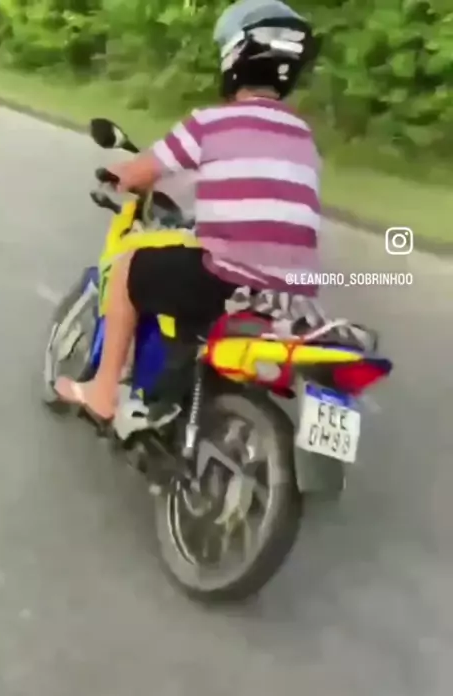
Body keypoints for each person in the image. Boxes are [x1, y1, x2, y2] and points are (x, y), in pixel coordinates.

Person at [55, 0, 322, 432]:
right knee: (185, 279)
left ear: (234, 57)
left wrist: (120, 175)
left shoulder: (210, 122)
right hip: (294, 294)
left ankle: (103, 395)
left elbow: (146, 169)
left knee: (129, 268)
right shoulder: (303, 135)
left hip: (229, 279)